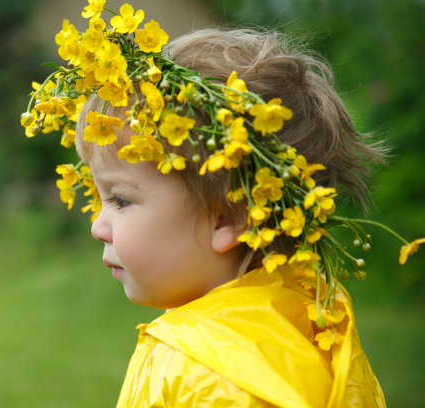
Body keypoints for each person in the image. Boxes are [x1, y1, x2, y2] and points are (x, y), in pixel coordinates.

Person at [22, 2, 422, 406]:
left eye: (121, 200)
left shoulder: (210, 376)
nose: (97, 226)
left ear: (226, 217)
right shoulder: (302, 319)